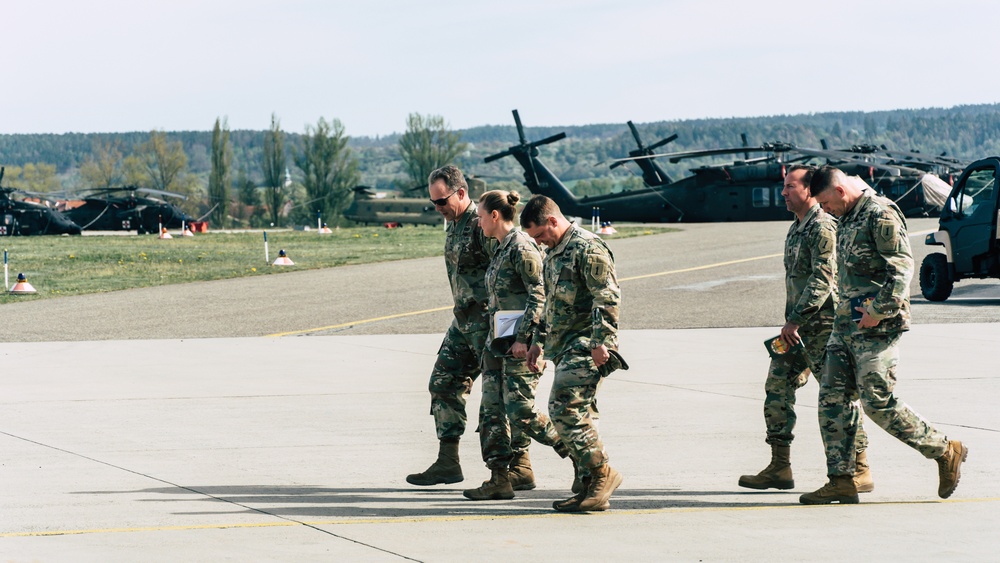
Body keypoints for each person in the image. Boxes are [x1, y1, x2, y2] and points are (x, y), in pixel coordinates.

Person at [800, 166, 968, 504]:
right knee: (832, 399)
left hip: (877, 327)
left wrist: (878, 311)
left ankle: (944, 449)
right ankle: (842, 479)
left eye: (826, 203)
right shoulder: (846, 217)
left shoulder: (880, 214)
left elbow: (902, 268)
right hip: (845, 327)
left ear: (841, 192)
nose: (825, 211)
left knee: (876, 402)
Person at [739, 165, 873, 492]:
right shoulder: (797, 226)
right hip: (796, 331)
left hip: (823, 327)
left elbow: (823, 278)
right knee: (777, 386)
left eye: (789, 186)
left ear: (809, 190)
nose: (783, 192)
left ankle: (860, 468)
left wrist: (796, 318)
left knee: (838, 397)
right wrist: (793, 322)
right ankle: (779, 466)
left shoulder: (823, 226)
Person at [406, 165, 521, 486]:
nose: (438, 208)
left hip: (491, 326)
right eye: (433, 203)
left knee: (501, 400)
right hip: (464, 324)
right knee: (443, 384)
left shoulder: (480, 224)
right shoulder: (455, 225)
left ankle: (517, 467)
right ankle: (448, 462)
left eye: (442, 201)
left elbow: (510, 271)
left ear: (461, 192)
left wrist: (511, 329)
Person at [462, 190, 570, 500]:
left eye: (481, 217)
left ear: (494, 216)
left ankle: (578, 451)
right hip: (498, 345)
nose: (478, 222)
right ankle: (500, 478)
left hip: (520, 346)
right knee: (491, 414)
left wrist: (525, 338)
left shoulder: (522, 248)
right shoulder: (499, 248)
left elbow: (540, 294)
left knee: (521, 412)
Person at [521, 195, 625, 512]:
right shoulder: (553, 252)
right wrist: (537, 341)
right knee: (577, 413)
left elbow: (606, 296)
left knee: (564, 410)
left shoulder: (588, 247)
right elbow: (550, 303)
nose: (539, 242)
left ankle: (602, 473)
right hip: (562, 345)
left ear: (552, 220)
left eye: (540, 234)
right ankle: (587, 487)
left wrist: (601, 342)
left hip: (586, 342)